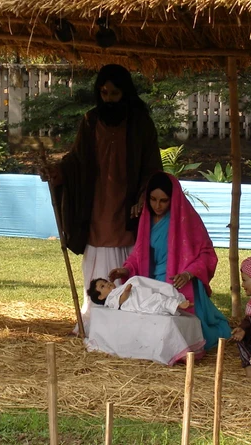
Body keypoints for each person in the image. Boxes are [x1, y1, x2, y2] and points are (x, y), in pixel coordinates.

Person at [41, 64, 162, 333]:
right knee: (97, 256)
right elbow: (76, 160)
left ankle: (129, 324)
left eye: (114, 93)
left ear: (125, 92)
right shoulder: (90, 120)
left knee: (128, 258)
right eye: (104, 92)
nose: (108, 98)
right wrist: (57, 172)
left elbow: (152, 166)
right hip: (96, 206)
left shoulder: (141, 123)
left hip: (129, 206)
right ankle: (95, 319)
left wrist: (144, 196)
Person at [108, 171, 232, 350]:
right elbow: (139, 254)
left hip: (178, 282)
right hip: (151, 281)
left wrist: (189, 274)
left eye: (163, 200)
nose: (157, 205)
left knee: (181, 330)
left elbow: (207, 253)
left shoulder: (187, 219)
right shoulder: (146, 219)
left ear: (173, 198)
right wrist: (126, 270)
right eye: (153, 199)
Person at [88, 275, 192, 315]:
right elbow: (121, 300)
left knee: (159, 294)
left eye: (105, 282)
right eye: (102, 286)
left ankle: (177, 300)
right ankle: (177, 305)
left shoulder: (118, 288)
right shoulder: (110, 300)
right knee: (157, 300)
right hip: (138, 302)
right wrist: (126, 291)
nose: (107, 284)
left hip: (141, 294)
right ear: (101, 297)